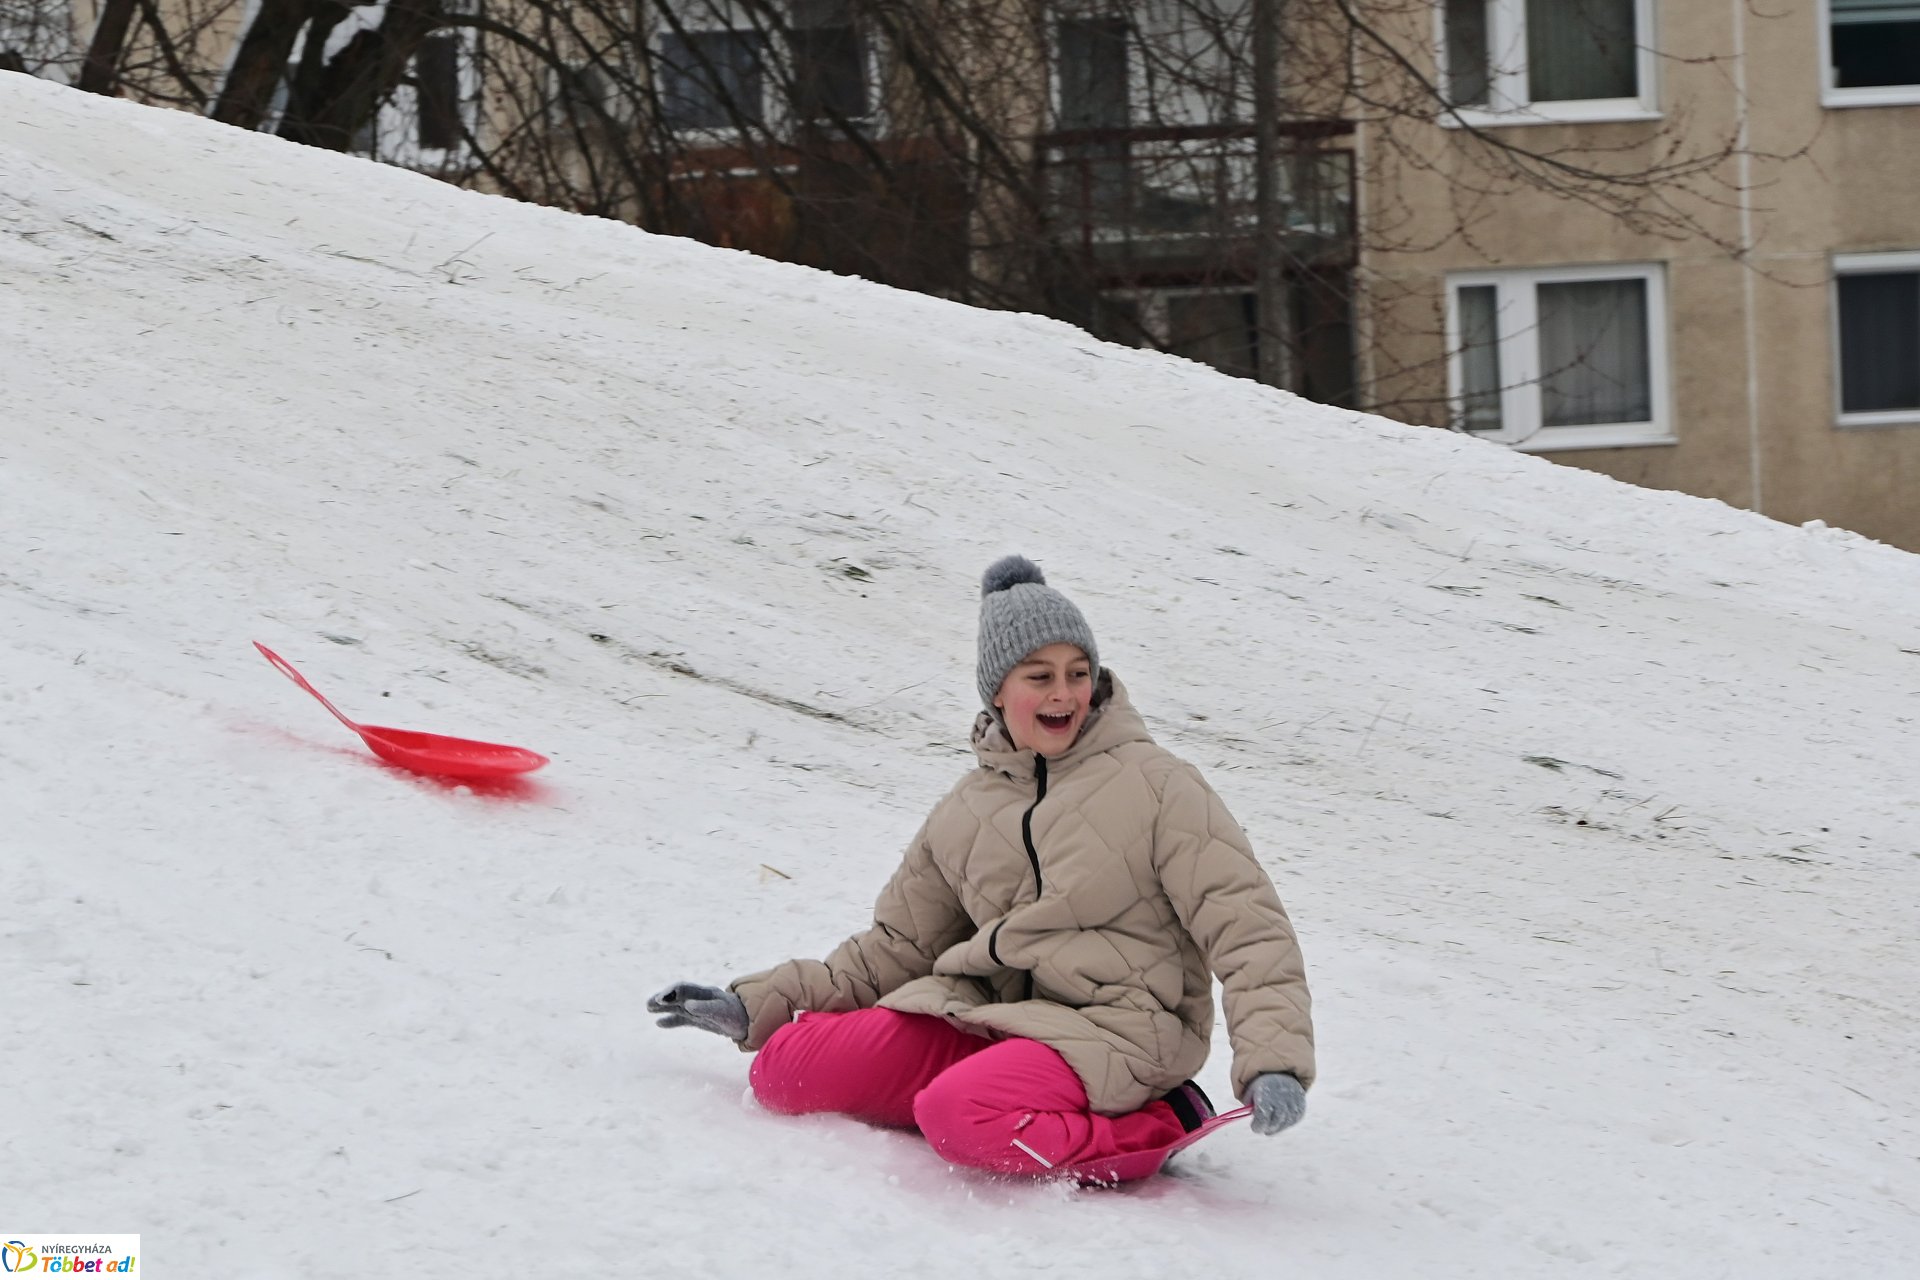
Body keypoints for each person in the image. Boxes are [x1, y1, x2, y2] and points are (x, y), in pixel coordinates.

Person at [649, 555, 1314, 1181]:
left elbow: (1245, 926)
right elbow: (897, 947)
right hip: (990, 1021)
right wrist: (756, 1004)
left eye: (1078, 672)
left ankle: (1157, 1123)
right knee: (783, 1070)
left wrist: (1273, 1061)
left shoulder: (1160, 786)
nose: (1064, 693)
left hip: (1120, 1030)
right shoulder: (966, 810)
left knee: (959, 1118)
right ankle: (982, 1082)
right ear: (998, 691)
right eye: (1040, 676)